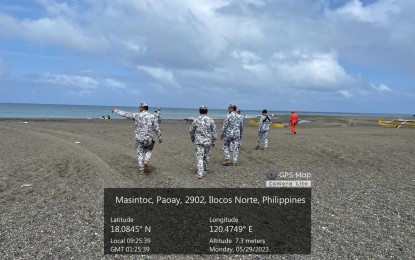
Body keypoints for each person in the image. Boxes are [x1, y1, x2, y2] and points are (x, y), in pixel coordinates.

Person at [112, 102, 162, 175]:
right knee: (149, 149)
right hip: (148, 138)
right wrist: (159, 136)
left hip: (139, 138)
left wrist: (116, 110)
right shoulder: (152, 116)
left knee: (140, 153)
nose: (139, 108)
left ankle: (142, 169)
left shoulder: (137, 115)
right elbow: (156, 127)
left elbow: (126, 114)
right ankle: (146, 160)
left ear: (142, 108)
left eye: (139, 107)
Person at [189, 105, 217, 179]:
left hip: (199, 142)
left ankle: (200, 173)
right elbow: (214, 131)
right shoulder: (211, 120)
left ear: (199, 111)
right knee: (206, 156)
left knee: (200, 157)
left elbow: (191, 131)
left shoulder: (196, 120)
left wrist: (192, 138)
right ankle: (205, 170)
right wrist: (214, 141)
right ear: (207, 111)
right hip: (208, 141)